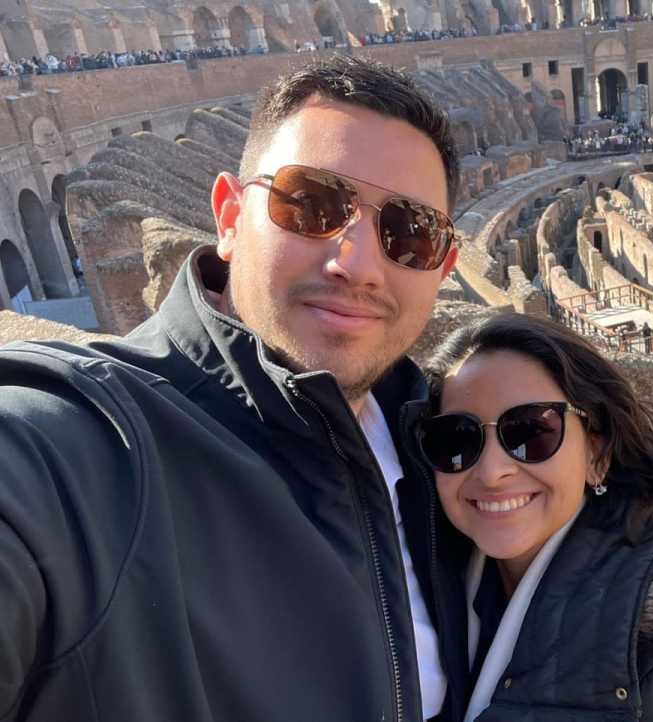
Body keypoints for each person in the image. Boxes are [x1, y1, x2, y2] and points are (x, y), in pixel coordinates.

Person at [0, 56, 472, 721]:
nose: (358, 264)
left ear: (444, 266)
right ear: (228, 216)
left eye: (410, 234)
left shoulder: (450, 452)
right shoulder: (78, 449)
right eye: (312, 204)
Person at [415, 313, 653, 722]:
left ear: (597, 454)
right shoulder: (429, 592)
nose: (491, 472)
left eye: (529, 432)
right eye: (457, 438)